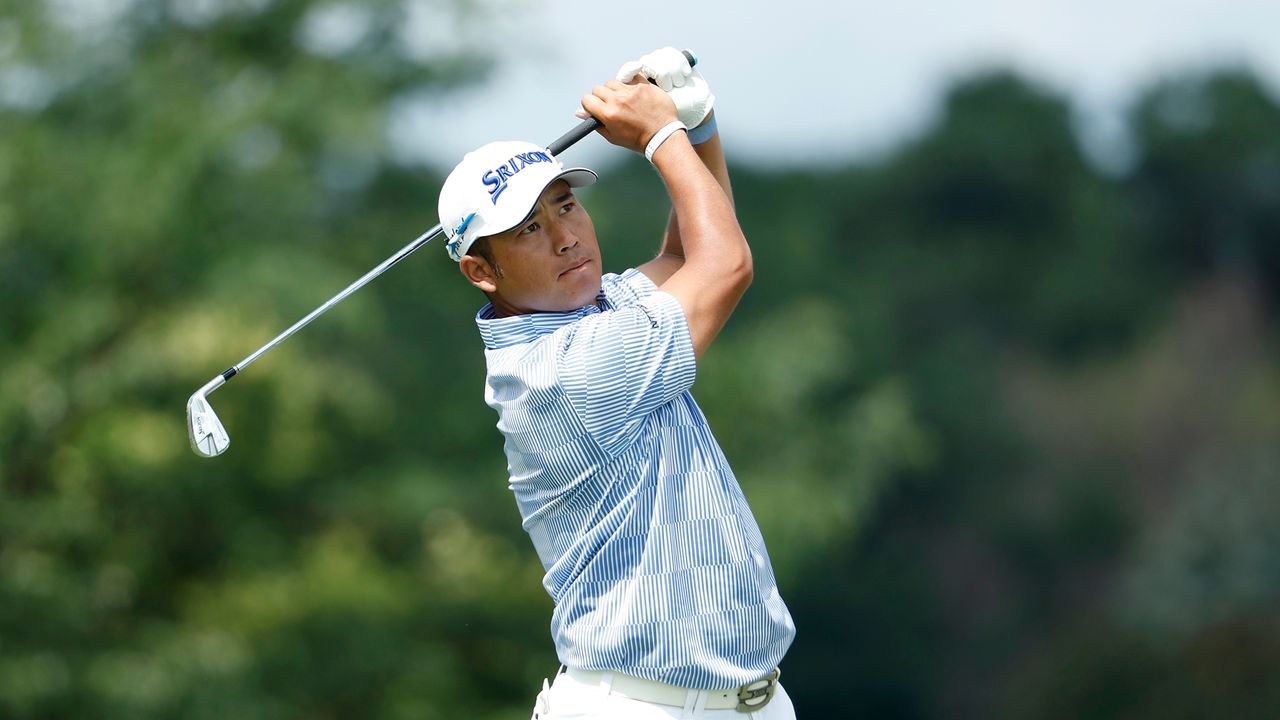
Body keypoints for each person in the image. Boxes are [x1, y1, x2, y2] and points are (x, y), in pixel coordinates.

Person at [436, 47, 796, 719]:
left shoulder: (601, 312)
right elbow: (727, 265)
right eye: (529, 229)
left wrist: (696, 125)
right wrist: (660, 138)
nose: (566, 237)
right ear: (482, 273)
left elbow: (689, 251)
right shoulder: (561, 373)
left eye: (567, 206)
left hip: (752, 703)